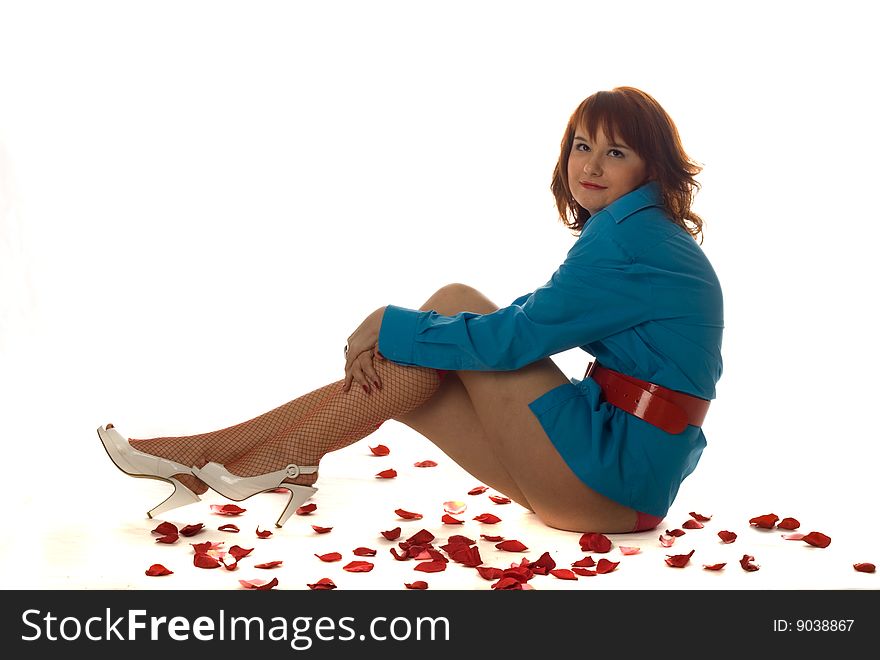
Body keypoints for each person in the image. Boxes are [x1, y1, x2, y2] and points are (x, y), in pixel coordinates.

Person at [98, 86, 723, 534]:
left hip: (609, 484)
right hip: (612, 482)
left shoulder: (632, 241)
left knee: (454, 307)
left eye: (615, 153)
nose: (589, 165)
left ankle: (244, 460)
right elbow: (538, 313)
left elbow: (515, 339)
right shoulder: (639, 234)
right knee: (416, 381)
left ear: (651, 166)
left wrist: (386, 324)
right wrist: (406, 337)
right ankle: (225, 461)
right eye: (582, 145)